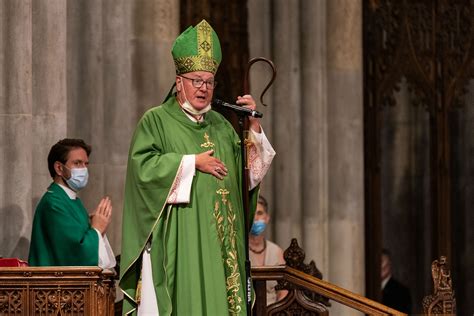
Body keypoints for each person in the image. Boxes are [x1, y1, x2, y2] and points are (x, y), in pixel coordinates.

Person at [119, 19, 275, 315]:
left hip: (223, 250)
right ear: (179, 82)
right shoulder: (156, 121)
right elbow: (142, 172)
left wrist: (253, 128)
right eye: (196, 80)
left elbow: (249, 178)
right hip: (183, 244)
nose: (204, 88)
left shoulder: (222, 125)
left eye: (209, 81)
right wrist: (191, 163)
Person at [28, 138, 115, 269]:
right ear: (59, 168)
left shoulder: (71, 200)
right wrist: (97, 229)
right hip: (55, 287)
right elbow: (73, 253)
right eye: (77, 163)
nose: (84, 169)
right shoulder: (53, 204)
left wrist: (95, 229)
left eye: (86, 164)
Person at [249, 195, 288, 305]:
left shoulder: (277, 252)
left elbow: (283, 290)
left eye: (260, 213)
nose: (255, 218)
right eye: (252, 213)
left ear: (267, 218)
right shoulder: (238, 252)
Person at [381, 248, 412, 314]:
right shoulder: (372, 289)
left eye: (381, 261)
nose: (380, 266)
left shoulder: (402, 291)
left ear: (389, 264)